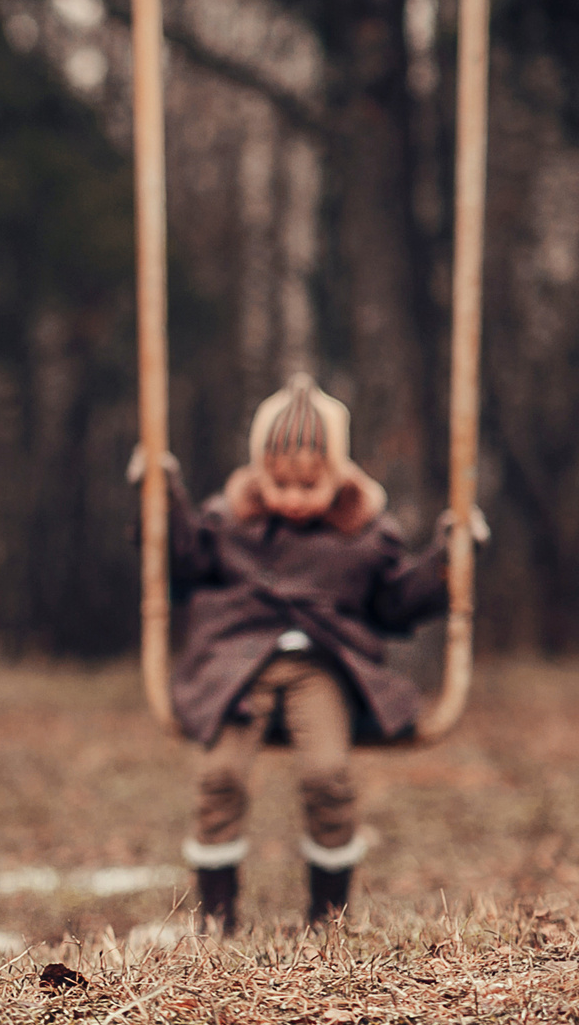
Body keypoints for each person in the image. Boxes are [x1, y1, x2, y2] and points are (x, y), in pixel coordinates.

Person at [144, 373, 470, 934]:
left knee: (328, 775)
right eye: (279, 484)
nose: (293, 499)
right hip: (236, 665)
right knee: (219, 776)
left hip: (322, 666)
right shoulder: (229, 523)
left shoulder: (363, 536)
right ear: (257, 474)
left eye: (309, 486)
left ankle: (328, 916)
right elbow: (184, 562)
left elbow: (394, 603)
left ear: (338, 475)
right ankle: (217, 919)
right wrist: (163, 496)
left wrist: (447, 556)